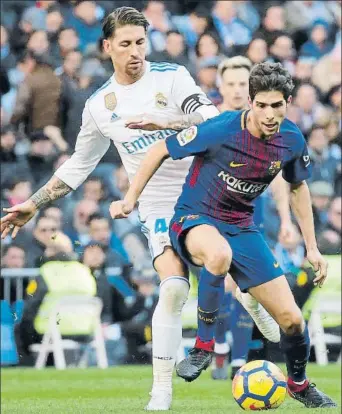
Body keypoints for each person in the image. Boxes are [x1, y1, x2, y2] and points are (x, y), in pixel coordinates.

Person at [0, 7, 279, 411]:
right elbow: (80, 164)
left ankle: (247, 295)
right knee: (174, 288)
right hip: (156, 200)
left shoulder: (172, 77)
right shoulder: (99, 106)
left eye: (140, 43)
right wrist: (33, 201)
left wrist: (162, 119)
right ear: (107, 46)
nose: (135, 52)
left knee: (222, 263)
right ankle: (161, 391)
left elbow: (212, 121)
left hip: (204, 189)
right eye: (126, 44)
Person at [109, 62, 336, 408]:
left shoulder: (291, 139)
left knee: (292, 321)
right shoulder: (222, 129)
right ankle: (204, 347)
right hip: (193, 218)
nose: (270, 114)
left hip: (242, 227)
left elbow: (297, 187)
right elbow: (159, 150)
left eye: (277, 105)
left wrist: (313, 247)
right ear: (250, 102)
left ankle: (299, 384)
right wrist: (129, 199)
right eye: (262, 105)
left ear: (288, 102)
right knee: (217, 255)